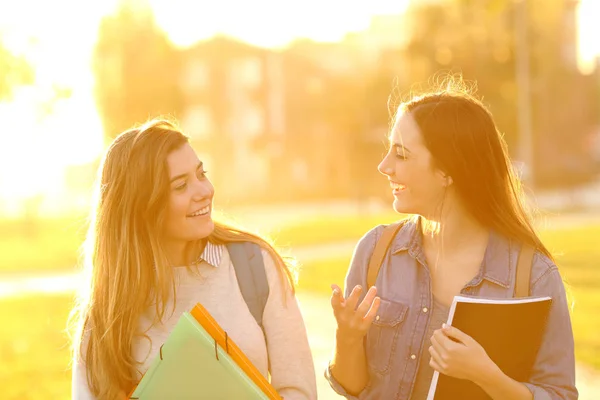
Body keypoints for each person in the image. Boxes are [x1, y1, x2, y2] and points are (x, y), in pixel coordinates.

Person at [325, 81, 578, 399]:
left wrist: (486, 376)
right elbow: (353, 389)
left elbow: (559, 393)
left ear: (447, 171)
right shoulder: (375, 252)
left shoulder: (534, 276)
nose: (384, 166)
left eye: (401, 155)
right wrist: (347, 338)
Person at [69, 119, 317, 400]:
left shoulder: (255, 266)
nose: (205, 191)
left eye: (201, 174)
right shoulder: (106, 308)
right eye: (181, 185)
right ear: (143, 207)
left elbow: (300, 391)